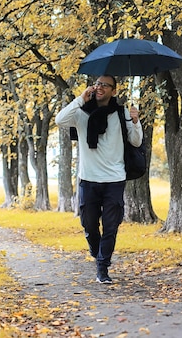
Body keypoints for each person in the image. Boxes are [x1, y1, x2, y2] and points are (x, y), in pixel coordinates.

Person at [55, 74, 143, 284]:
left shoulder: (122, 112)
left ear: (114, 90)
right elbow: (59, 120)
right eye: (97, 84)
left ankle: (102, 268)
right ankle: (97, 252)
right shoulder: (81, 113)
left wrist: (136, 121)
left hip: (114, 178)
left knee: (111, 226)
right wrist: (80, 99)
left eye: (105, 85)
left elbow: (136, 142)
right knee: (89, 224)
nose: (100, 87)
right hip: (88, 178)